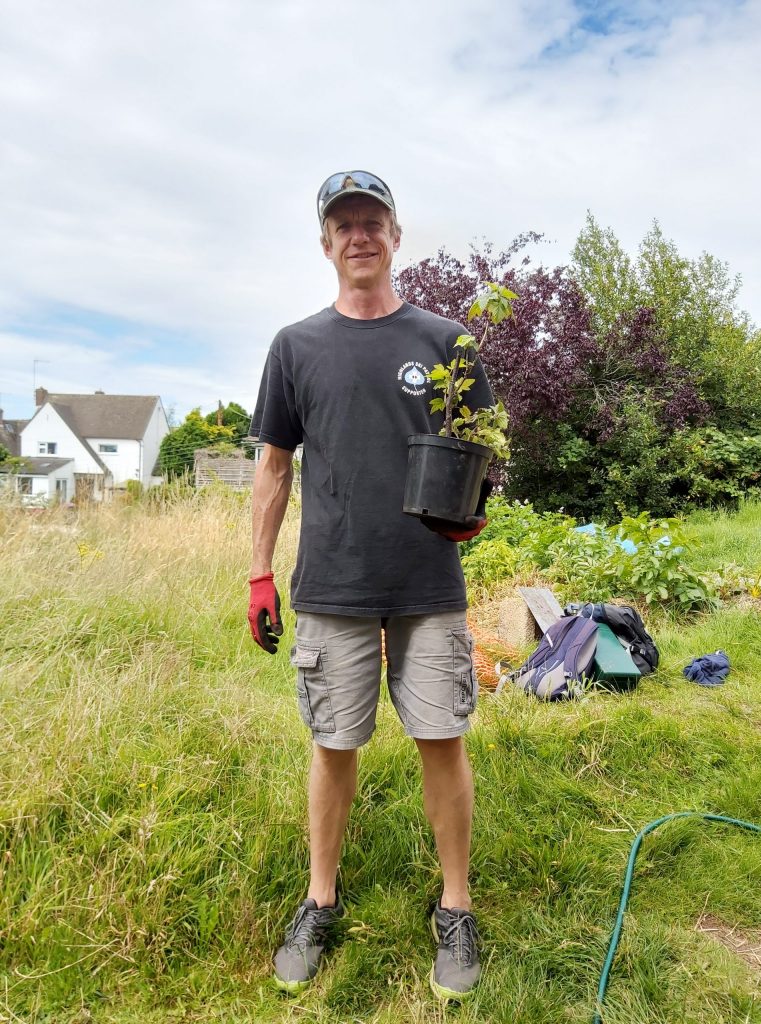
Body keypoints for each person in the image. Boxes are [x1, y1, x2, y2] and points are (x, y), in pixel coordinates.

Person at [247, 170, 493, 1001]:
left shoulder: (445, 340)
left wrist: (475, 510)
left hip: (428, 580)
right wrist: (258, 571)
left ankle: (455, 905)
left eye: (373, 221)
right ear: (326, 243)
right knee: (334, 745)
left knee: (440, 737)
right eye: (343, 223)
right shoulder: (296, 346)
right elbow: (274, 467)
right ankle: (320, 899)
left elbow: (479, 448)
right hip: (333, 584)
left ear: (396, 236)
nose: (359, 235)